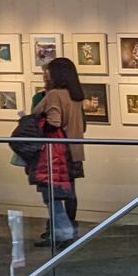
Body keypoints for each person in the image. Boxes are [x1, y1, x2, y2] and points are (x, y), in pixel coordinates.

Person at [29, 56, 86, 248]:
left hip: (57, 152)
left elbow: (54, 122)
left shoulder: (54, 95)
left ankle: (63, 233)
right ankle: (66, 232)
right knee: (69, 193)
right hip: (74, 150)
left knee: (51, 194)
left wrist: (33, 120)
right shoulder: (75, 95)